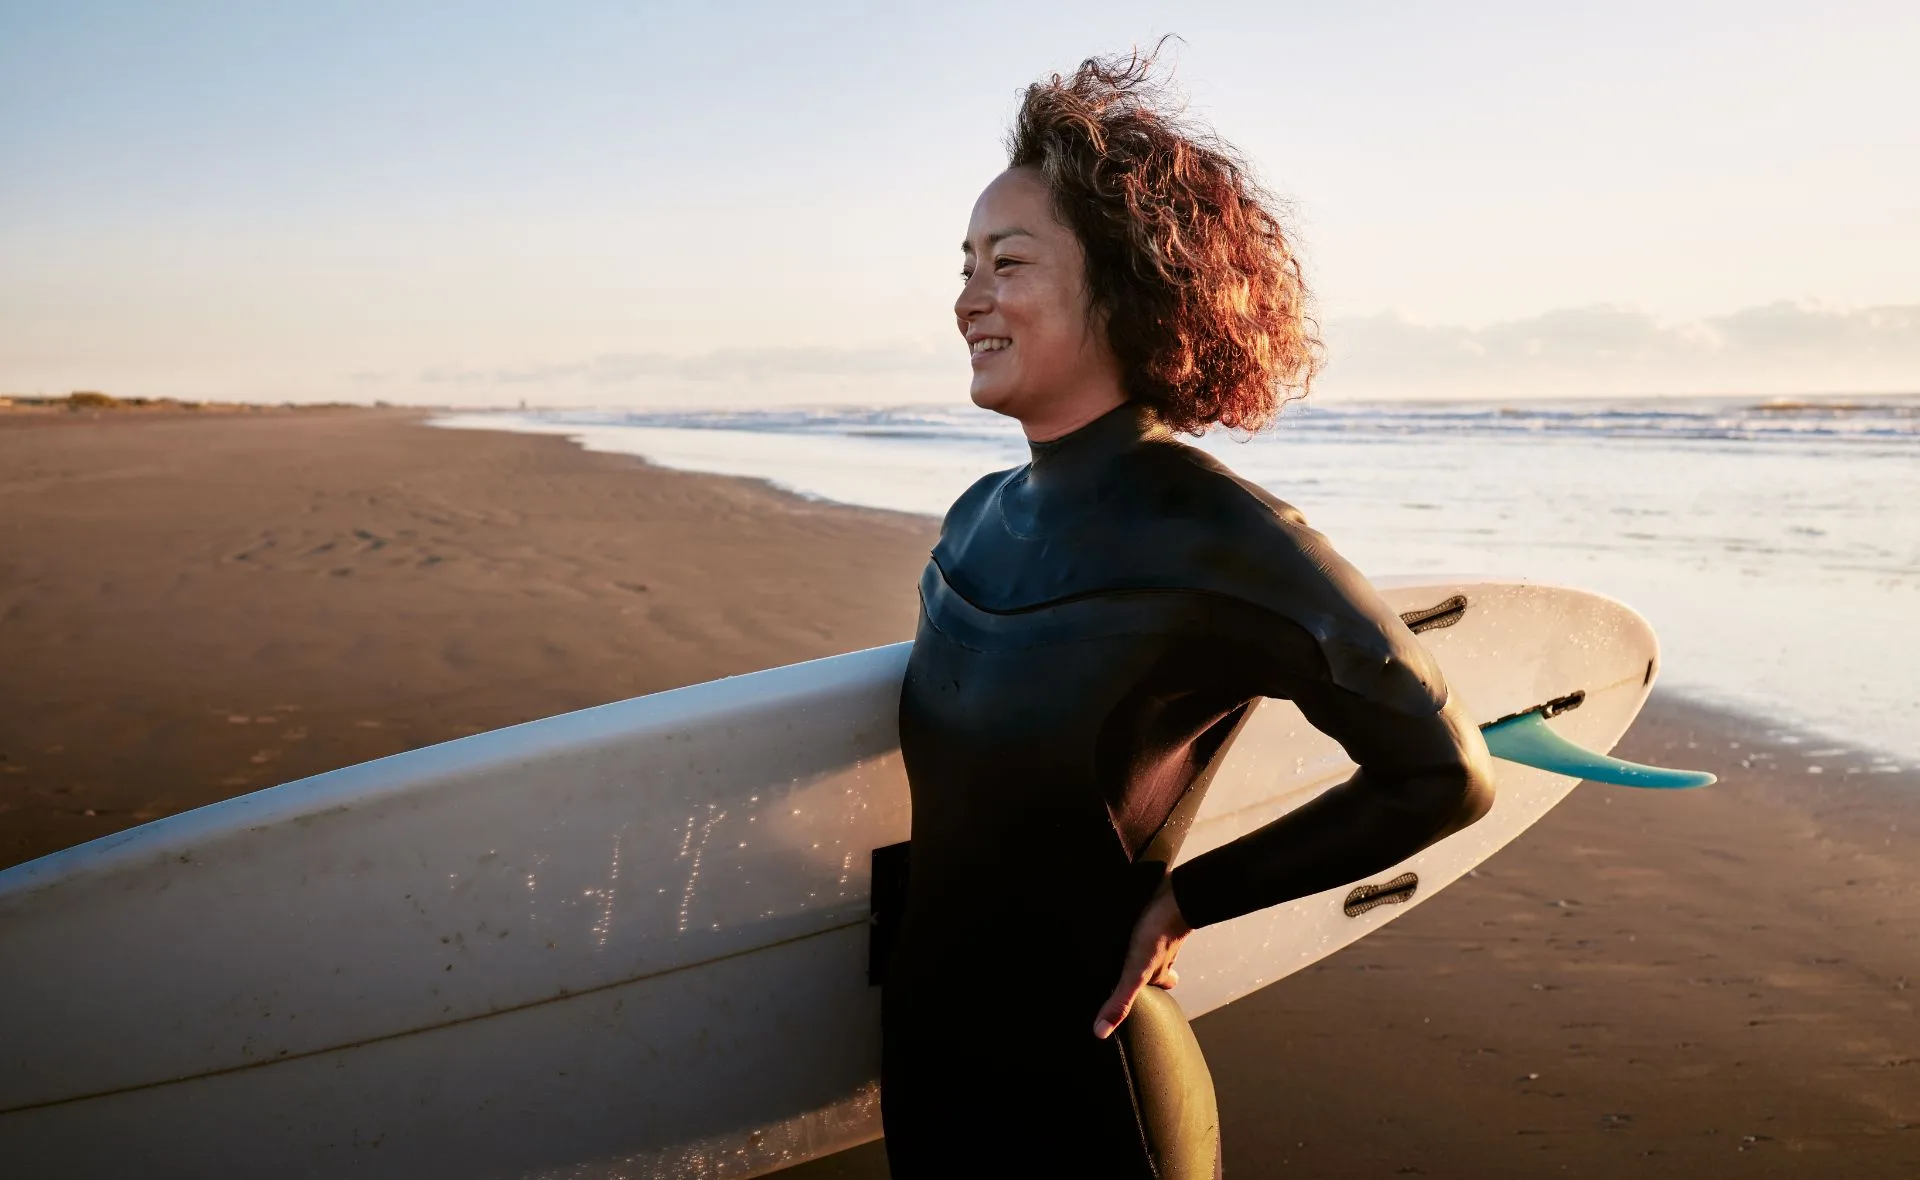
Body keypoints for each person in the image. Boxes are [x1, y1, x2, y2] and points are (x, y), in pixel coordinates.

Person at [881, 49, 1496, 1178]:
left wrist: (1188, 895)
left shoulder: (1228, 540)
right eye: (964, 262)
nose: (968, 296)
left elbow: (1444, 772)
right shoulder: (972, 521)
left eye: (1006, 263)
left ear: (1121, 285)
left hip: (1093, 1083)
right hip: (927, 1069)